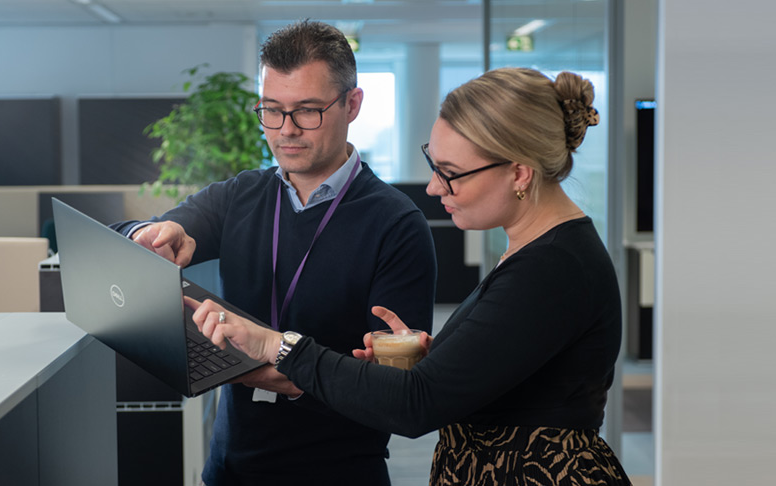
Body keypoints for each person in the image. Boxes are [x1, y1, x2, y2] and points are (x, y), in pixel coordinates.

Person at [185, 67, 632, 485]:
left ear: (519, 172)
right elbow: (508, 372)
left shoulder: (552, 269)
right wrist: (432, 360)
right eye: (434, 165)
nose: (435, 187)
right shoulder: (535, 252)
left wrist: (274, 344)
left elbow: (417, 405)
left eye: (450, 174)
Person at [112, 20, 437, 486]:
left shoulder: (397, 225)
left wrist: (271, 364)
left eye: (307, 111)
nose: (286, 131)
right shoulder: (242, 194)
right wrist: (155, 233)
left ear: (352, 104)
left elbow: (393, 394)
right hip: (230, 468)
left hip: (336, 473)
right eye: (271, 110)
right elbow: (132, 233)